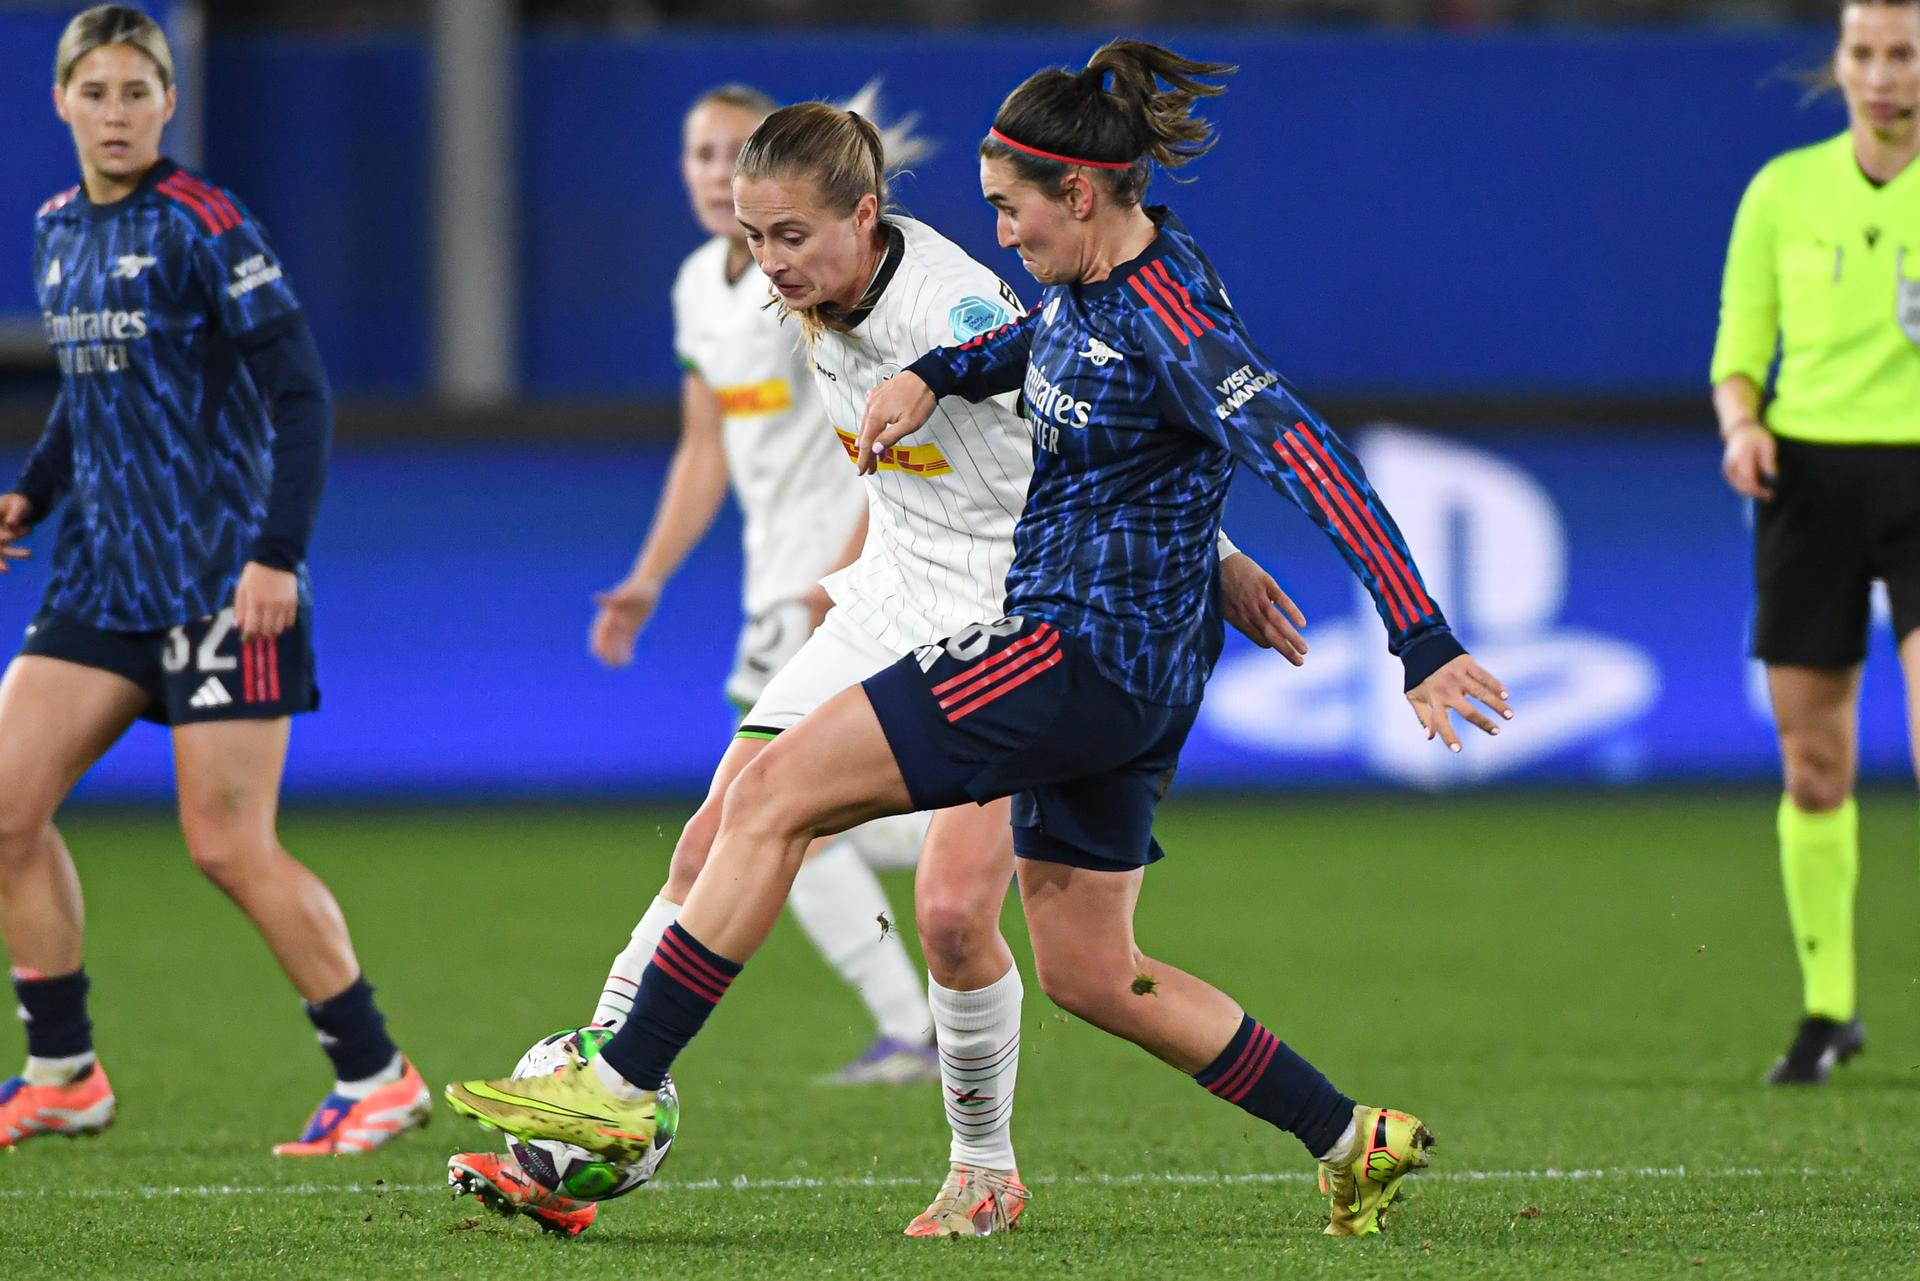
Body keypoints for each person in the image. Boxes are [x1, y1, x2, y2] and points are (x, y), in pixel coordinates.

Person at [447, 40, 1509, 1240]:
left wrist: (1419, 640)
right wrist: (941, 381)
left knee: (777, 806)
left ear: (1079, 195)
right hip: (1109, 658)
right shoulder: (1096, 285)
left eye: (1011, 208)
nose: (997, 232)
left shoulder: (1144, 314)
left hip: (1055, 639)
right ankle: (1349, 1135)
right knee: (1091, 973)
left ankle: (623, 1089)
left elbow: (1306, 451)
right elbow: (1052, 359)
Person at [0, 6, 429, 1156]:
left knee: (226, 846)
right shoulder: (54, 228)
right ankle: (62, 1071)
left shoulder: (206, 221)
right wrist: (29, 496)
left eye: (138, 90)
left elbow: (302, 395)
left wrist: (275, 555)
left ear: (168, 101)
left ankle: (376, 1073)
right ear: (61, 101)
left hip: (220, 586)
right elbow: (90, 399)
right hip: (98, 584)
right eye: (96, 91)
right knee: (4, 808)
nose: (117, 111)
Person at [1714, 0, 1920, 1086]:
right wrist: (1743, 425)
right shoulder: (1783, 191)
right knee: (1816, 765)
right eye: (1867, 53)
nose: (1883, 76)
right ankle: (1829, 1009)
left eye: (1903, 54)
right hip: (1809, 480)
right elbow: (1740, 349)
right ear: (1839, 63)